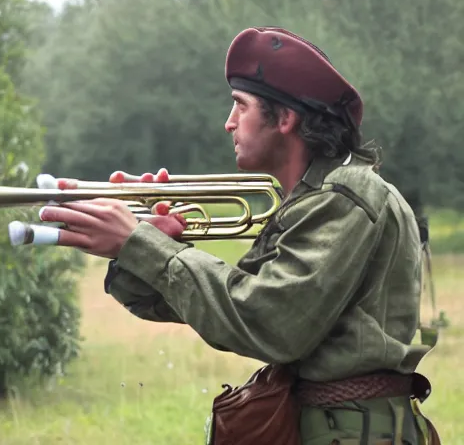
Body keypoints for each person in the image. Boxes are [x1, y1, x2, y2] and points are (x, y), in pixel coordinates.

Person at [38, 27, 439, 444]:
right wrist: (150, 245)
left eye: (240, 106)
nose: (228, 123)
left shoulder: (346, 195)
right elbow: (223, 311)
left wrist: (143, 246)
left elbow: (267, 321)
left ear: (285, 118)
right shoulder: (308, 200)